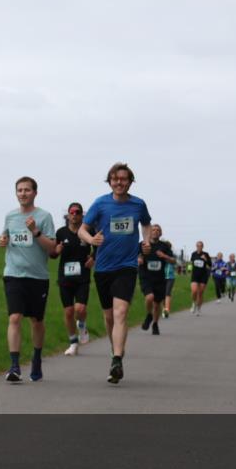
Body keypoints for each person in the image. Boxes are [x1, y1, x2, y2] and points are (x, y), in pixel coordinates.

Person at [79, 162, 152, 385]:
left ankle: (117, 360)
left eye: (123, 179)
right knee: (109, 317)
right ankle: (114, 352)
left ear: (130, 182)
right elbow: (83, 228)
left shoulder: (138, 204)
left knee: (121, 313)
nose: (119, 182)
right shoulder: (100, 204)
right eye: (115, 178)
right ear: (110, 181)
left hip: (127, 266)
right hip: (103, 268)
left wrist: (146, 241)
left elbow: (146, 224)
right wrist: (91, 239)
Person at [0, 177, 57, 382]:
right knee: (14, 317)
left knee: (36, 321)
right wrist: (3, 240)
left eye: (27, 190)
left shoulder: (44, 216)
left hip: (37, 276)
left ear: (35, 193)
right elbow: (5, 236)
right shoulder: (10, 216)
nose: (23, 193)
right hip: (13, 273)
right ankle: (14, 366)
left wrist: (35, 232)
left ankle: (37, 358)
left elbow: (51, 248)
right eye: (19, 190)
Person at [50, 202, 95, 356]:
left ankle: (81, 325)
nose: (75, 215)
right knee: (69, 312)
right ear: (68, 215)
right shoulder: (61, 233)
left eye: (78, 212)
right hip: (65, 277)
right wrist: (57, 250)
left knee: (80, 309)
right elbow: (53, 254)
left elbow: (98, 247)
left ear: (82, 215)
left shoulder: (88, 231)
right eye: (72, 212)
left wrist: (93, 258)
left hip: (82, 276)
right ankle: (73, 343)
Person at [138, 224, 175, 335]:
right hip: (146, 277)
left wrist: (164, 256)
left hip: (159, 278)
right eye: (153, 229)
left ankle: (155, 324)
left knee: (157, 304)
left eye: (157, 230)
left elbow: (173, 261)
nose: (155, 231)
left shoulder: (164, 246)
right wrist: (139, 258)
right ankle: (149, 315)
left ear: (160, 233)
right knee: (150, 297)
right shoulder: (143, 244)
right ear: (149, 232)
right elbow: (134, 255)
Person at [189, 242, 212, 315]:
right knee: (194, 291)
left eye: (201, 246)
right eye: (198, 246)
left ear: (203, 247)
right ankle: (193, 303)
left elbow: (210, 264)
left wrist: (205, 259)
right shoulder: (193, 254)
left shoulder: (206, 254)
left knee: (200, 293)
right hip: (195, 275)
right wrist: (189, 270)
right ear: (196, 246)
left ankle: (199, 308)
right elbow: (191, 262)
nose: (199, 247)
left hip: (203, 275)